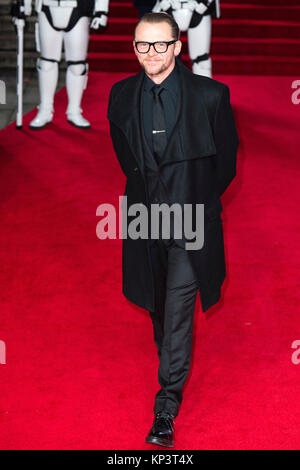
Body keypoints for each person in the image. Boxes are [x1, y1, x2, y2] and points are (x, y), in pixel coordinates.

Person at [107, 12, 239, 447]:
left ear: (178, 47)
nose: (151, 54)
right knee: (156, 302)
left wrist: (195, 198)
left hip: (191, 222)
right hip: (144, 219)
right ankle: (170, 360)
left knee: (179, 309)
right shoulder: (121, 95)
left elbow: (225, 166)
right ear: (134, 46)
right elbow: (125, 158)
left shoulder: (211, 96)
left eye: (160, 45)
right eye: (143, 45)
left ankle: (166, 405)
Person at [15, 0, 109, 129]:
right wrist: (22, 6)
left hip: (77, 10)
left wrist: (101, 10)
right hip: (47, 8)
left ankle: (74, 110)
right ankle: (45, 109)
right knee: (47, 63)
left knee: (77, 66)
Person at [152, 0, 221, 77]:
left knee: (201, 60)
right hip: (169, 6)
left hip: (198, 8)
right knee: (161, 55)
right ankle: (160, 86)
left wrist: (204, 5)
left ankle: (203, 87)